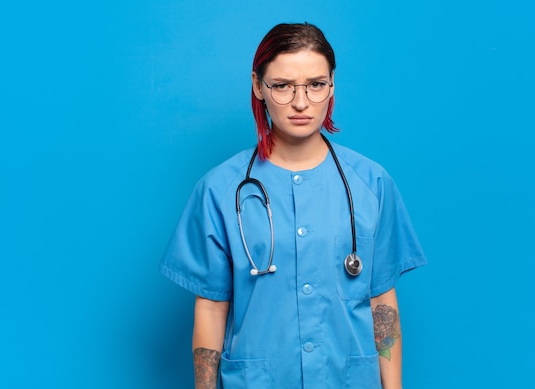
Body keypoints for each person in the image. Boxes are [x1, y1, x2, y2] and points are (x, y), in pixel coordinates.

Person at [160, 22, 426, 389]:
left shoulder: (372, 183)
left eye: (316, 85)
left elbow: (381, 297)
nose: (301, 103)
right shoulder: (219, 190)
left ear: (332, 84)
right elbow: (211, 306)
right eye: (283, 86)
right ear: (258, 86)